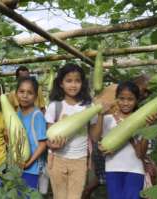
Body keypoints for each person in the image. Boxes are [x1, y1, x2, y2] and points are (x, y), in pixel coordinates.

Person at [91, 81, 157, 199]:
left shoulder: (142, 121)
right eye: (121, 99)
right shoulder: (108, 119)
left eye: (130, 99)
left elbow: (141, 153)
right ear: (116, 99)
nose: (125, 103)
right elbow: (95, 138)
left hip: (135, 170)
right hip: (112, 169)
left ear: (137, 100)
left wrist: (148, 127)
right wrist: (100, 115)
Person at [44, 63, 94, 199]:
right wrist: (51, 145)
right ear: (61, 83)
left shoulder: (89, 107)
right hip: (57, 159)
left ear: (82, 83)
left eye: (77, 81)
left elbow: (95, 135)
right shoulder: (55, 106)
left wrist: (100, 113)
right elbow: (48, 137)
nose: (73, 85)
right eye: (69, 81)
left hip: (80, 160)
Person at [16, 77, 47, 189]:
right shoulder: (17, 113)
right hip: (18, 167)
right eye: (21, 91)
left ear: (35, 97)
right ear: (16, 93)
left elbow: (43, 144)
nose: (25, 96)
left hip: (32, 169)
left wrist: (28, 163)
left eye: (30, 93)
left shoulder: (37, 115)